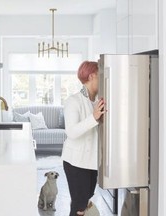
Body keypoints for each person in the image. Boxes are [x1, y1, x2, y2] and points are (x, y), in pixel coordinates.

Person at [62, 61, 106, 216]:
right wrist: (94, 118)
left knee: (83, 201)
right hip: (76, 162)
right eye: (100, 75)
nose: (103, 78)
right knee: (80, 206)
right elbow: (72, 132)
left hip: (91, 162)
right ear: (92, 76)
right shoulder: (73, 101)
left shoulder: (96, 101)